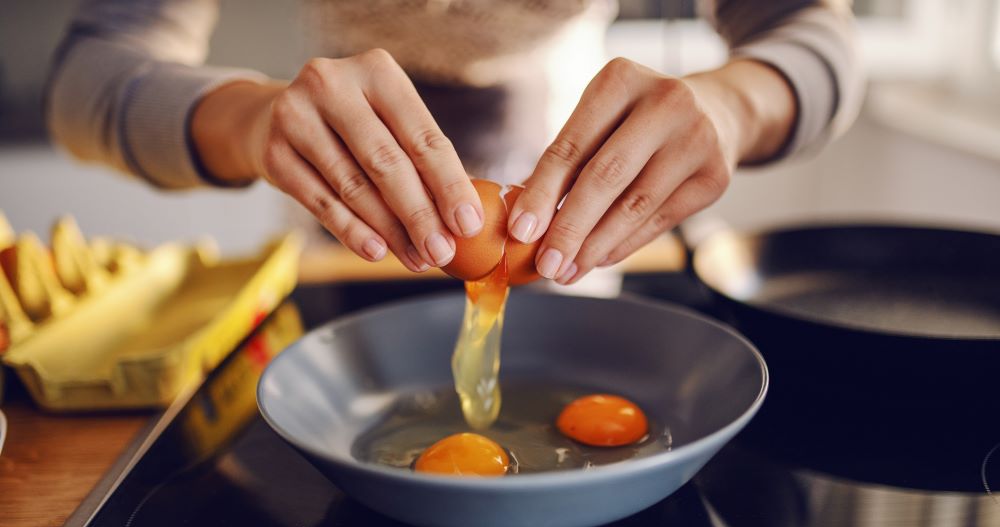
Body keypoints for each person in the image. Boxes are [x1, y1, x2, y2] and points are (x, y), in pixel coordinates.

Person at [46, 0, 862, 285]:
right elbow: (85, 80)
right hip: (345, 229)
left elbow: (817, 38)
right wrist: (251, 122)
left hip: (584, 224)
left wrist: (730, 108)